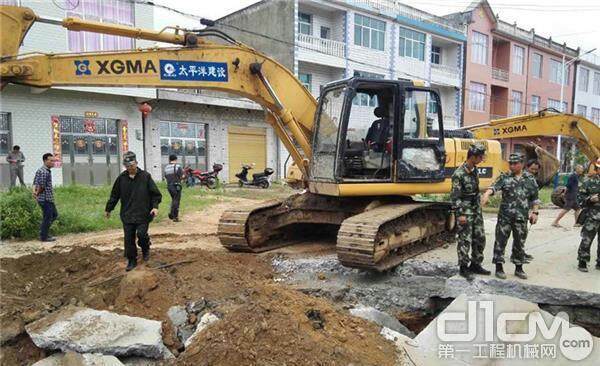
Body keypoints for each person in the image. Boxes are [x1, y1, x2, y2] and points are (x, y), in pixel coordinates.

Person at [481, 153, 540, 280]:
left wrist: (535, 213)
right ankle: (499, 267)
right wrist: (486, 194)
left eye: (515, 164)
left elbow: (535, 198)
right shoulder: (505, 177)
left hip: (521, 218)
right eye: (510, 164)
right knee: (500, 241)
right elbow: (493, 188)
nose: (512, 166)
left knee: (519, 243)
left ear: (522, 164)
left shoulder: (530, 179)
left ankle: (519, 268)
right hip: (505, 217)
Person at [105, 151, 162, 271]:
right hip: (127, 214)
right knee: (128, 238)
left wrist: (155, 207)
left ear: (136, 163)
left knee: (141, 235)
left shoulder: (145, 176)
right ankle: (132, 260)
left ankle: (145, 248)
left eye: (132, 165)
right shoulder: (121, 178)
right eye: (127, 166)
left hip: (143, 213)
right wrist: (109, 209)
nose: (130, 168)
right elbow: (114, 195)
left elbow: (155, 194)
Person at [451, 143, 490, 281]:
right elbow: (455, 197)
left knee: (479, 237)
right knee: (464, 239)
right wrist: (460, 214)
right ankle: (463, 267)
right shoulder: (459, 174)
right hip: (464, 209)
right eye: (480, 157)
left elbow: (475, 191)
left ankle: (476, 264)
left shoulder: (474, 170)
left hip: (475, 208)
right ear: (473, 157)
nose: (481, 159)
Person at [575, 158, 600, 272]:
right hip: (592, 216)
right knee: (587, 239)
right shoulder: (588, 182)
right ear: (597, 169)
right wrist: (590, 199)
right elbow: (580, 199)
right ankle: (582, 261)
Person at [33, 153, 58, 242]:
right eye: (51, 161)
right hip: (45, 199)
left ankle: (44, 232)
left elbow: (35, 182)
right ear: (45, 161)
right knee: (49, 217)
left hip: (47, 198)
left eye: (53, 161)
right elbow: (42, 186)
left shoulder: (41, 170)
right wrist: (37, 193)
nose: (53, 162)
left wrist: (34, 192)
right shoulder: (44, 172)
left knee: (53, 215)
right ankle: (44, 236)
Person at [164, 154, 183, 222]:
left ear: (169, 159)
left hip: (169, 186)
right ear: (175, 159)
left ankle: (175, 217)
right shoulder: (178, 166)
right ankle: (172, 214)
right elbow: (181, 176)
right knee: (176, 200)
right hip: (176, 186)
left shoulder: (166, 167)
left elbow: (166, 176)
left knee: (174, 199)